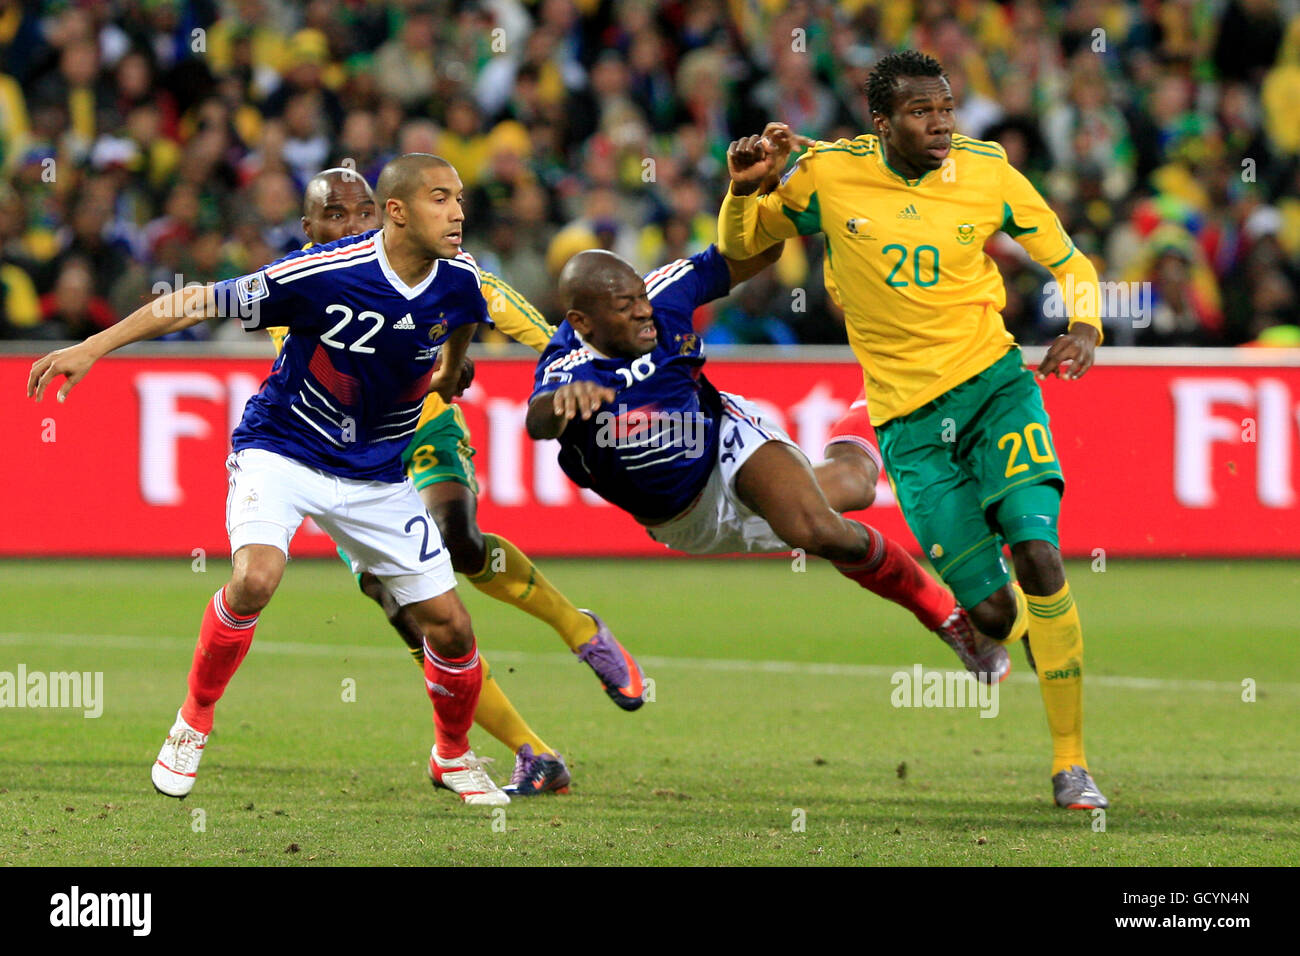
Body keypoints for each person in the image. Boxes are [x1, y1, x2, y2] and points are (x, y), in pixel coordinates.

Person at [29, 154, 516, 806]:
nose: (458, 212)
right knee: (256, 576)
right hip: (284, 450)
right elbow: (197, 301)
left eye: (459, 198)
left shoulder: (460, 278)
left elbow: (462, 319)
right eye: (440, 198)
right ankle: (193, 719)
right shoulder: (324, 274)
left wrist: (452, 370)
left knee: (452, 630)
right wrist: (95, 345)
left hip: (376, 474)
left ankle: (451, 757)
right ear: (397, 211)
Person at [717, 50, 1109, 810]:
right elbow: (739, 248)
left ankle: (1072, 764)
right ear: (882, 120)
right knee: (993, 614)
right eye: (922, 112)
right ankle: (1005, 633)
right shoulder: (829, 174)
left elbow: (1070, 260)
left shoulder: (989, 171)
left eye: (947, 108)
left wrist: (1086, 327)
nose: (941, 124)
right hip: (910, 424)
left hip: (996, 388)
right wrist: (741, 192)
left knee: (1039, 552)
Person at [271, 168, 645, 796]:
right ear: (307, 230)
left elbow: (501, 308)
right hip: (345, 460)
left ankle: (580, 629)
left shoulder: (430, 264)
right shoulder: (296, 287)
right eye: (333, 217)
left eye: (361, 212)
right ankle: (534, 752)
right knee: (406, 611)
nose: (350, 226)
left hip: (422, 428)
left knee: (459, 540)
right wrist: (428, 355)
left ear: (384, 213)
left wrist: (570, 359)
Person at [526, 244, 1011, 693]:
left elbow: (749, 254)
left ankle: (950, 619)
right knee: (856, 484)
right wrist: (558, 403)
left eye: (640, 296)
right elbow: (537, 421)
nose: (643, 309)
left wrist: (758, 192)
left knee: (814, 528)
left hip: (723, 442)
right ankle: (879, 397)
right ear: (581, 322)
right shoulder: (566, 369)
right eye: (625, 305)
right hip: (683, 521)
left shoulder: (665, 293)